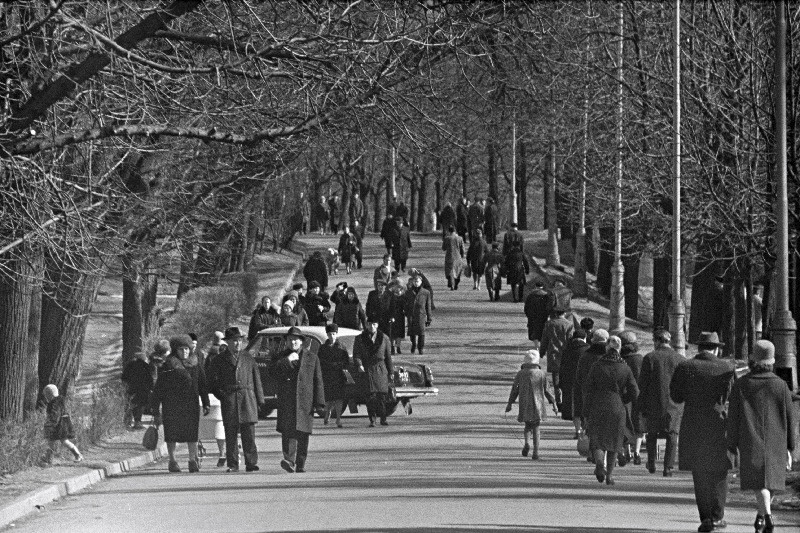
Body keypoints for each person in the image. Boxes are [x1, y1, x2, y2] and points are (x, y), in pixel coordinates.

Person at [726, 340, 795, 533]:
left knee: (759, 482)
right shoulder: (781, 386)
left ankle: (764, 517)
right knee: (770, 482)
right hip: (777, 439)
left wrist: (731, 443)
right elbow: (791, 419)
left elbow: (733, 416)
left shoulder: (741, 385)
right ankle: (764, 516)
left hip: (750, 438)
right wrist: (791, 446)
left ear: (753, 360)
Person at [670, 331, 736, 532]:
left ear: (699, 348)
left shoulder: (685, 367)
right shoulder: (726, 368)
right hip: (718, 423)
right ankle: (717, 516)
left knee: (699, 471)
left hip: (693, 423)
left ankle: (705, 517)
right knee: (720, 470)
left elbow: (676, 397)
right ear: (716, 348)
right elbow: (731, 396)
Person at [206, 327, 264, 473]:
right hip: (230, 399)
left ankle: (251, 462)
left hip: (247, 398)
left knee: (249, 433)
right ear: (228, 343)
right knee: (230, 434)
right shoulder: (219, 359)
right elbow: (212, 382)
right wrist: (223, 395)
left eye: (239, 341)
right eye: (234, 341)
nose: (237, 344)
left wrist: (260, 400)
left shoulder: (248, 358)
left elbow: (257, 380)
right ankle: (232, 464)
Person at [584, 335, 639, 486]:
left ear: (606, 348)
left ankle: (599, 464)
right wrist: (623, 399)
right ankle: (609, 476)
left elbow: (588, 390)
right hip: (617, 407)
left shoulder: (597, 365)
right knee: (615, 442)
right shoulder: (625, 367)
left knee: (597, 440)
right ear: (619, 349)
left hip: (598, 405)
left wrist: (585, 411)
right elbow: (635, 392)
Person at [151, 335, 210, 473]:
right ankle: (172, 461)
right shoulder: (168, 365)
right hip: (172, 405)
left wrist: (206, 402)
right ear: (175, 350)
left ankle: (192, 460)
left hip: (191, 404)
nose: (184, 352)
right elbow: (159, 387)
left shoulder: (196, 364)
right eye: (181, 349)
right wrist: (155, 408)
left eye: (187, 349)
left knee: (192, 434)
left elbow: (202, 385)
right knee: (172, 434)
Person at [269, 326, 325, 473]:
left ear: (301, 342)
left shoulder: (312, 357)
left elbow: (318, 380)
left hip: (305, 401)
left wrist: (320, 403)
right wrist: (286, 361)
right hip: (287, 400)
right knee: (288, 432)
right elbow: (272, 373)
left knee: (303, 433)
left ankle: (300, 463)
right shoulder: (281, 357)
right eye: (290, 339)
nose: (293, 342)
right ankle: (289, 460)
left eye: (296, 339)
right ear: (287, 341)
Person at [638, 329, 684, 477]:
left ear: (656, 341)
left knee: (652, 433)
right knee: (672, 435)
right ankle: (668, 467)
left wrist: (641, 404)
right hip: (674, 404)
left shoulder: (650, 358)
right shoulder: (679, 359)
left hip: (653, 402)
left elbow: (643, 384)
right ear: (668, 341)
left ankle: (651, 462)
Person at [505, 349, 557, 460]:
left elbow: (515, 390)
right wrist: (554, 404)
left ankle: (527, 443)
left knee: (527, 425)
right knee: (537, 427)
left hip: (525, 402)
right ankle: (536, 451)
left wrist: (510, 403)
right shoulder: (541, 374)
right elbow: (547, 390)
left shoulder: (520, 374)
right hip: (538, 404)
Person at [353, 316, 394, 427]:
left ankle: (383, 418)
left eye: (374, 324)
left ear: (377, 325)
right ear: (366, 325)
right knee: (370, 396)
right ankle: (372, 420)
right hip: (367, 368)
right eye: (370, 324)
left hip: (380, 369)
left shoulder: (384, 338)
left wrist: (391, 372)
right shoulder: (360, 338)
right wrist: (359, 364)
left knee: (382, 396)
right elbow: (356, 355)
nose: (372, 326)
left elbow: (388, 357)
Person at [574, 328, 609, 447]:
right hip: (606, 393)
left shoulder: (585, 356)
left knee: (589, 421)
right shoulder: (610, 355)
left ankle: (591, 448)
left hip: (588, 393)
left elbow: (579, 377)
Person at [540, 306, 574, 410]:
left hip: (553, 354)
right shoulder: (569, 324)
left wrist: (541, 352)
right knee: (566, 378)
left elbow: (545, 339)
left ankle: (558, 401)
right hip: (566, 355)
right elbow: (570, 340)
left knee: (556, 379)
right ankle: (566, 399)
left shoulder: (549, 324)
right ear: (564, 313)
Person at [619, 331, 644, 466]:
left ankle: (627, 451)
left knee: (625, 423)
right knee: (639, 424)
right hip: (639, 395)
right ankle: (637, 452)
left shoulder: (619, 359)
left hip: (624, 396)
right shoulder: (640, 359)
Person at [318, 324, 350, 428]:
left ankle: (338, 419)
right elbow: (319, 361)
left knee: (339, 398)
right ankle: (327, 413)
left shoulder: (341, 347)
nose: (332, 336)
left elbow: (346, 361)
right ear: (327, 334)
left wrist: (340, 366)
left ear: (336, 334)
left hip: (338, 375)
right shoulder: (322, 348)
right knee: (328, 399)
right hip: (327, 375)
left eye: (334, 334)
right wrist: (328, 365)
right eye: (330, 334)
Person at [559, 329, 590, 437]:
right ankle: (585, 429)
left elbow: (562, 367)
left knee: (575, 408)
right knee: (586, 407)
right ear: (584, 337)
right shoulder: (588, 350)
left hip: (570, 381)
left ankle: (577, 430)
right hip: (585, 381)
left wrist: (561, 382)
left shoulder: (567, 349)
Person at [42, 384, 83, 463]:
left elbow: (55, 415)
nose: (46, 397)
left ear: (50, 394)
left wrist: (49, 424)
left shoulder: (54, 403)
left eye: (46, 395)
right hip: (63, 423)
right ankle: (48, 458)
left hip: (58, 425)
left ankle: (78, 455)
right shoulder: (61, 400)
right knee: (53, 441)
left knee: (62, 441)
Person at [121, 351, 154, 430]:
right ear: (143, 358)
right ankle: (137, 422)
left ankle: (127, 423)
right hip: (143, 389)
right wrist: (151, 388)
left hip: (131, 388)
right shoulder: (146, 366)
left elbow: (124, 377)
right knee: (141, 405)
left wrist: (126, 386)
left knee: (131, 404)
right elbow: (150, 379)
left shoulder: (130, 365)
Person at [405, 273, 432, 354]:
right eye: (415, 281)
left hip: (421, 315)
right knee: (412, 332)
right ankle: (413, 344)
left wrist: (429, 318)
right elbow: (405, 303)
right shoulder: (408, 292)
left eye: (418, 281)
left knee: (421, 332)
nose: (416, 283)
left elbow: (428, 306)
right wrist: (406, 312)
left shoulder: (426, 292)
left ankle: (420, 348)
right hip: (411, 315)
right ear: (412, 282)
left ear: (421, 282)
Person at [384, 280, 407, 354]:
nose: (398, 289)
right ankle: (392, 347)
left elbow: (406, 306)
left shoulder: (403, 296)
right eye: (396, 287)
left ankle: (398, 347)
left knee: (400, 333)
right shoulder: (390, 295)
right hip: (392, 316)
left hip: (400, 316)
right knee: (392, 333)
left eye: (399, 287)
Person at [442, 225, 465, 290]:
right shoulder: (460, 238)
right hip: (457, 257)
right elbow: (463, 249)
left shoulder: (447, 238)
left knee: (449, 271)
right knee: (457, 271)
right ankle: (456, 283)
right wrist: (462, 255)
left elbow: (443, 248)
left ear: (449, 231)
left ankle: (451, 282)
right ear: (455, 231)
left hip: (449, 256)